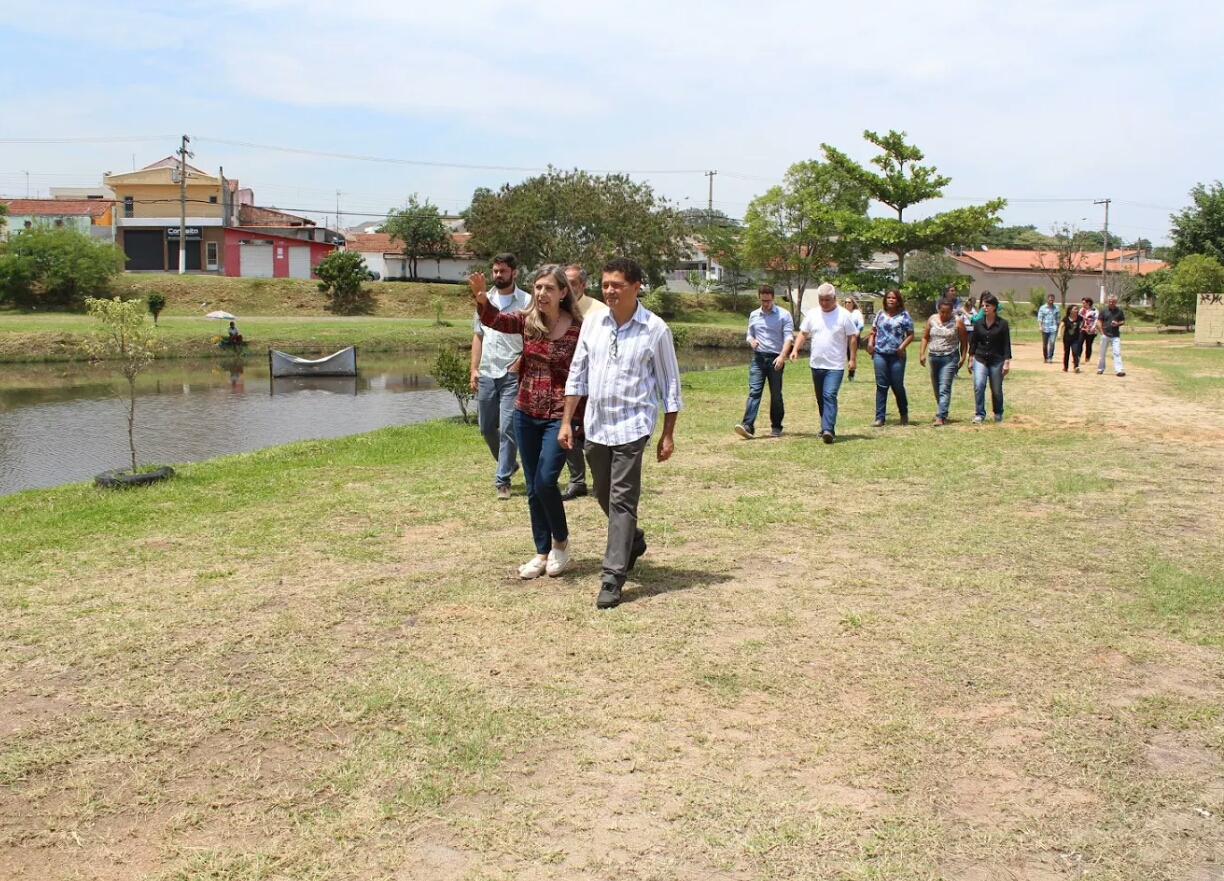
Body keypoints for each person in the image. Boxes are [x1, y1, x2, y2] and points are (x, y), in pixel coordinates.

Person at [560, 257, 683, 610]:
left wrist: (668, 434)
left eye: (617, 284)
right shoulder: (592, 323)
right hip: (597, 424)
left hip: (633, 425)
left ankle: (612, 578)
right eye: (606, 284)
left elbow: (669, 384)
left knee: (622, 500)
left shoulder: (655, 329)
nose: (609, 290)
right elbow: (577, 375)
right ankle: (633, 541)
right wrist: (568, 421)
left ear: (636, 287)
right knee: (602, 492)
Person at [472, 265, 581, 579]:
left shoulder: (578, 328)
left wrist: (578, 418)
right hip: (526, 411)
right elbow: (495, 320)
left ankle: (561, 541)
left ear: (563, 292)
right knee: (533, 487)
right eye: (538, 287)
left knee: (547, 481)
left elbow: (584, 374)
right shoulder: (526, 321)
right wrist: (482, 298)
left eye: (549, 288)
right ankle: (541, 551)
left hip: (560, 417)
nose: (542, 294)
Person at [470, 253, 531, 500]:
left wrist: (521, 362)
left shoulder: (527, 301)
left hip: (511, 373)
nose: (498, 275)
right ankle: (509, 464)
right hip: (487, 371)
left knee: (508, 427)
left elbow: (533, 339)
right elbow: (478, 335)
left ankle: (502, 481)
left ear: (514, 273)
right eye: (495, 271)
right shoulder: (484, 301)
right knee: (486, 427)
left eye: (503, 271)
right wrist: (474, 368)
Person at [559, 264, 607, 501]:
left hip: (592, 380)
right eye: (564, 283)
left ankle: (600, 481)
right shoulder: (557, 308)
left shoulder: (599, 310)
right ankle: (577, 481)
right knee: (567, 427)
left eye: (573, 283)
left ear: (583, 285)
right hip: (564, 380)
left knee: (592, 432)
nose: (568, 287)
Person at [790, 283, 858, 443]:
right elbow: (803, 333)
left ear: (834, 298)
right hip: (817, 364)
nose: (824, 303)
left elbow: (852, 337)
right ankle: (824, 425)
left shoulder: (844, 315)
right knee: (821, 398)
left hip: (835, 366)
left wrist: (853, 359)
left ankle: (829, 430)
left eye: (827, 300)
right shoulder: (813, 314)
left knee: (829, 395)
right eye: (821, 300)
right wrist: (795, 349)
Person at [735, 284, 794, 439]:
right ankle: (748, 425)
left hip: (776, 357)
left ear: (773, 298)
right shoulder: (754, 315)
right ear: (759, 298)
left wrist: (782, 356)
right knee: (754, 392)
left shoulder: (784, 315)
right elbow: (749, 334)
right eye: (762, 301)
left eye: (768, 301)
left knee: (775, 394)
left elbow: (788, 337)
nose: (765, 304)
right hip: (758, 358)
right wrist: (751, 341)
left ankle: (776, 426)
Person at [867, 289, 914, 426]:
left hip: (896, 355)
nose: (891, 300)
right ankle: (880, 417)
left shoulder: (904, 315)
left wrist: (902, 347)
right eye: (889, 298)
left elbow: (910, 334)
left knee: (897, 385)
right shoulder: (880, 314)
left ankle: (903, 414)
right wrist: (870, 344)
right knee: (881, 385)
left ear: (898, 300)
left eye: (894, 298)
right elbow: (873, 331)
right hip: (880, 353)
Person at [919, 296, 968, 426]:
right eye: (942, 312)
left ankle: (940, 416)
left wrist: (963, 357)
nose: (944, 314)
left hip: (950, 357)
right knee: (936, 388)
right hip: (934, 357)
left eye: (947, 312)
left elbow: (964, 341)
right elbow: (925, 337)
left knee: (944, 387)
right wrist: (922, 353)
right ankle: (943, 409)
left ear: (952, 310)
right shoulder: (932, 319)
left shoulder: (957, 322)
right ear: (938, 310)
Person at [968, 292, 1012, 424]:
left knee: (996, 388)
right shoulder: (979, 323)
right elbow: (974, 342)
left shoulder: (1002, 324)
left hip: (997, 360)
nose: (984, 308)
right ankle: (980, 414)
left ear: (994, 307)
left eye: (987, 305)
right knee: (979, 385)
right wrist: (970, 359)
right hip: (981, 359)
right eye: (983, 306)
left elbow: (1006, 344)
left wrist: (1006, 362)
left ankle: (998, 412)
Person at [1097, 294, 1126, 377]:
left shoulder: (1119, 311)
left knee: (1117, 352)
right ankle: (1100, 368)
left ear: (1115, 302)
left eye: (1113, 301)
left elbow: (1123, 321)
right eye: (1109, 301)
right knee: (1102, 353)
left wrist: (1117, 323)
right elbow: (1099, 321)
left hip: (1115, 335)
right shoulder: (1104, 310)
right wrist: (1101, 332)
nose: (1111, 303)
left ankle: (1119, 370)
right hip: (1105, 334)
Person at [843, 296, 865, 380]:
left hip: (853, 337)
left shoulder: (856, 313)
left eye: (849, 302)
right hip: (843, 337)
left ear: (853, 303)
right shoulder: (842, 312)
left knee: (851, 355)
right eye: (846, 302)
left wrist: (857, 334)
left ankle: (851, 374)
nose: (847, 304)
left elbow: (861, 324)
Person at [1059, 303, 1084, 373]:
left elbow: (1083, 322)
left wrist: (1081, 328)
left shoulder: (1079, 318)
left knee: (1075, 352)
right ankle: (1065, 367)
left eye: (1077, 309)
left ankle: (1076, 366)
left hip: (1075, 338)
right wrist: (1059, 334)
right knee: (1066, 353)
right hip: (1067, 339)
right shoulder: (1066, 318)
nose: (1077, 310)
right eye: (1075, 309)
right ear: (1070, 310)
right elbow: (1061, 326)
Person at [1037, 293, 1060, 363]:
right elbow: (1040, 318)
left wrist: (1058, 328)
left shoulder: (1056, 308)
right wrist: (1040, 326)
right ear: (1047, 300)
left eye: (1052, 300)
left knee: (1052, 343)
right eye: (1050, 300)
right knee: (1045, 345)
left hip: (1053, 328)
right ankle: (1045, 357)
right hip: (1045, 328)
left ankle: (1050, 357)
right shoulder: (1042, 308)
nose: (1051, 301)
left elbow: (1058, 318)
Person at [1080, 297, 1099, 363]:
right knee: (1079, 342)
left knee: (1088, 345)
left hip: (1091, 331)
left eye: (1084, 303)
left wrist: (1093, 327)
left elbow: (1096, 320)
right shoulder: (1081, 310)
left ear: (1088, 303)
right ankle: (1077, 357)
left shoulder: (1095, 311)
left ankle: (1087, 359)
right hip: (1082, 329)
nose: (1082, 304)